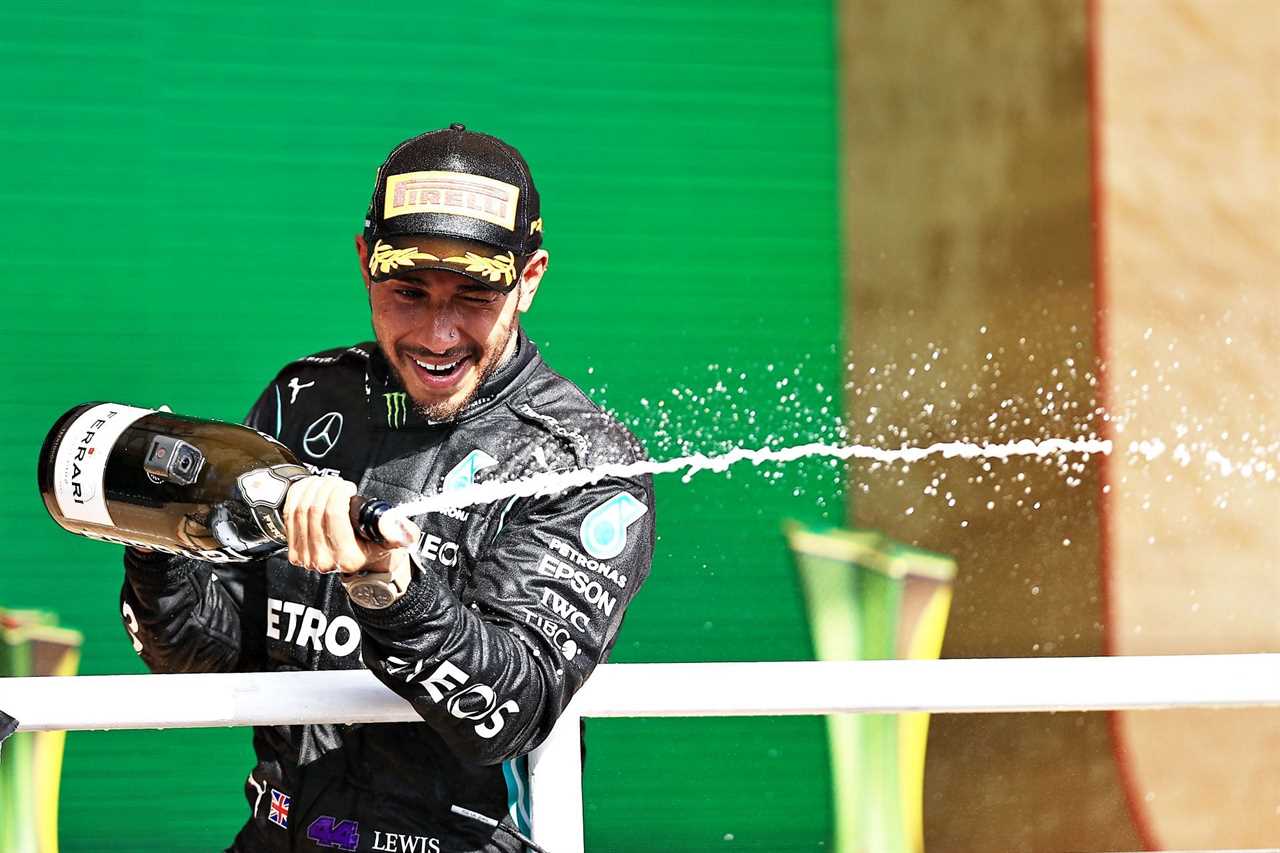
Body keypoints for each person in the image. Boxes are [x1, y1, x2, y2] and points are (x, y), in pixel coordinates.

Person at [120, 124, 655, 853]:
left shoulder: (581, 461)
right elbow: (205, 651)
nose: (438, 334)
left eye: (472, 296)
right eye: (408, 291)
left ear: (529, 279)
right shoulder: (302, 398)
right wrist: (157, 537)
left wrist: (388, 585)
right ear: (365, 263)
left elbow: (511, 711)